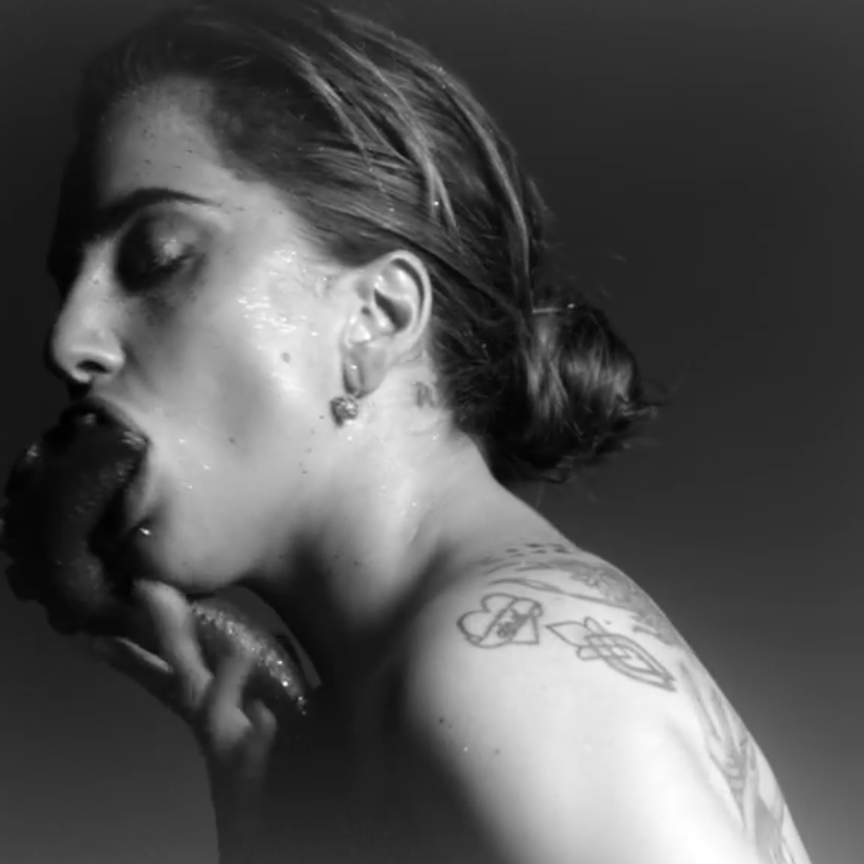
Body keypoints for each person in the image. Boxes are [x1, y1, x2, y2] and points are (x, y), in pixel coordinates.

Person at [41, 0, 813, 861]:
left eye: (156, 259)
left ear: (376, 316)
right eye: (70, 285)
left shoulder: (504, 665)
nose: (67, 341)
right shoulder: (424, 688)